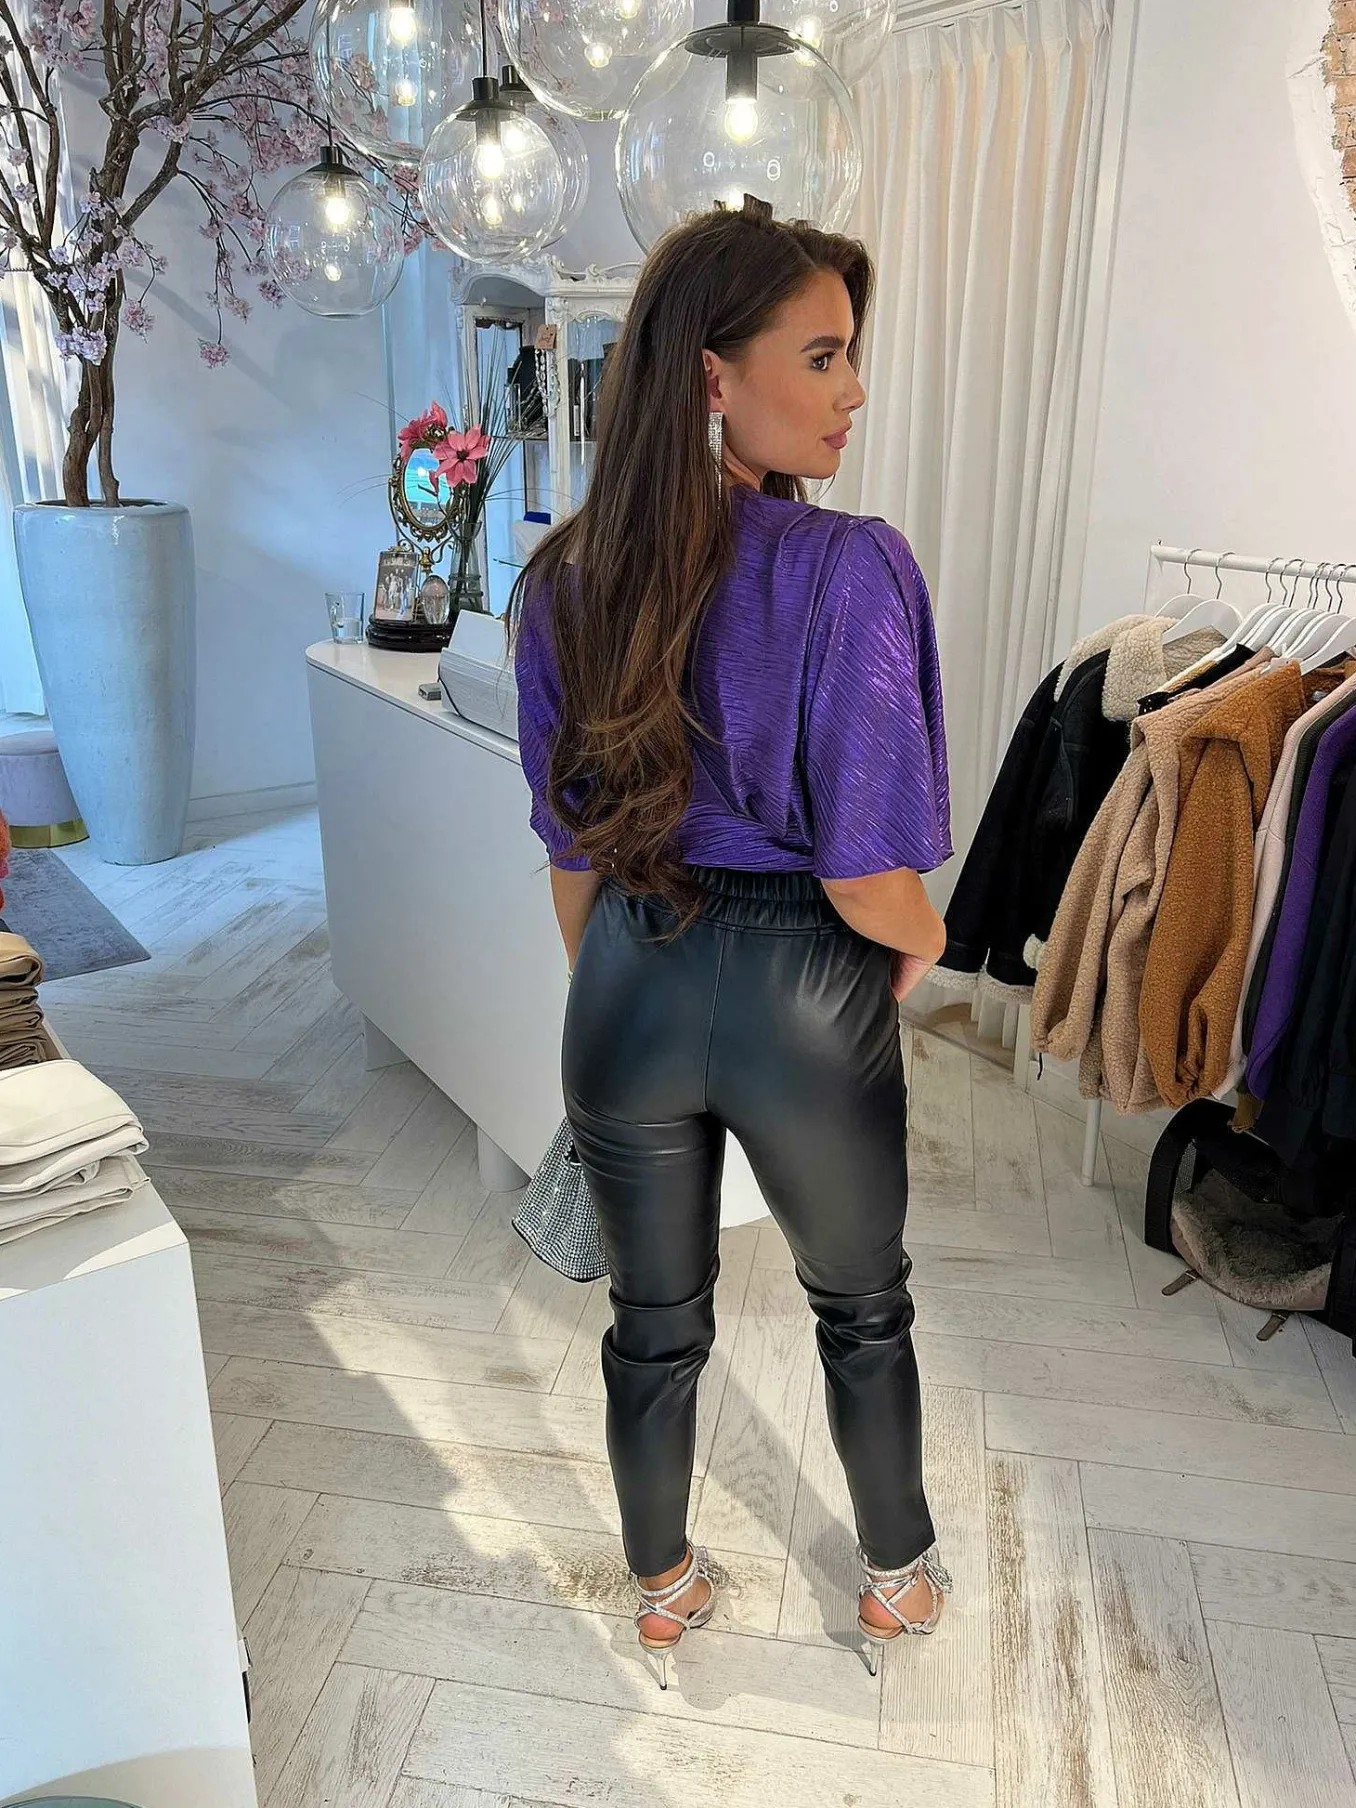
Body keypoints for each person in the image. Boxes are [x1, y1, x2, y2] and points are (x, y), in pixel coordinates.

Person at [509, 195, 954, 1690]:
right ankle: (894, 1582)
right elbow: (873, 872)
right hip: (804, 992)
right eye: (823, 356)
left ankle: (662, 1586)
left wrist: (629, 983)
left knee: (651, 1322)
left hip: (626, 975)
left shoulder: (566, 578)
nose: (854, 390)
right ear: (715, 373)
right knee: (863, 1305)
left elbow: (571, 861)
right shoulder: (847, 568)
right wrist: (923, 936)